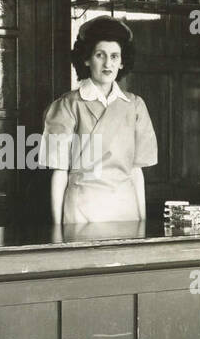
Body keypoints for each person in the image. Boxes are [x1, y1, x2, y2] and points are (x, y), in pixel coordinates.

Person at [43, 16, 158, 225]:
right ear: (86, 59)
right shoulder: (68, 105)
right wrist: (57, 228)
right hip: (81, 212)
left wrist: (142, 221)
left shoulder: (135, 106)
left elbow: (136, 171)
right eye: (100, 55)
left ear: (122, 61)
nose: (108, 64)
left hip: (125, 212)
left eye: (115, 56)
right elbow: (59, 172)